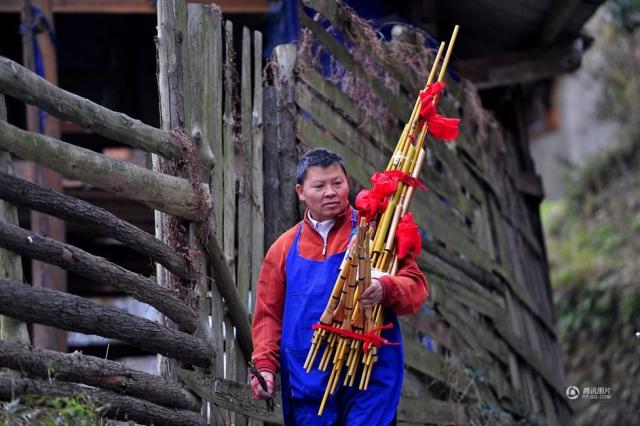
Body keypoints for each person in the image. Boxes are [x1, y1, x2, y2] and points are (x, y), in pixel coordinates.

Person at [250, 148, 428, 425]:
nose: (330, 192)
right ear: (301, 191)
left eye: (337, 183)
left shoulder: (379, 234)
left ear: (347, 183)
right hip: (307, 375)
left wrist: (386, 287)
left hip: (369, 372)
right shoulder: (283, 249)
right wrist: (265, 367)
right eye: (319, 186)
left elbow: (416, 288)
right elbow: (268, 316)